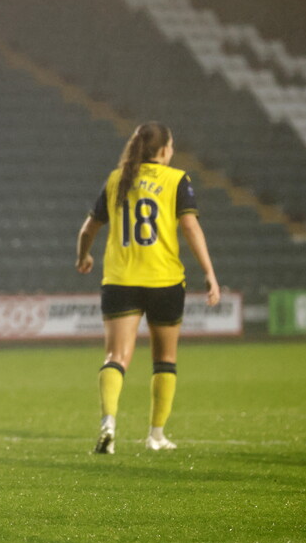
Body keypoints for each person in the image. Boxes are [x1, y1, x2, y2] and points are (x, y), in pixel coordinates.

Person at [75, 122, 219, 454]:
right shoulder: (176, 180)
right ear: (166, 150)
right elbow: (190, 227)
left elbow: (87, 229)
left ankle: (108, 424)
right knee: (165, 359)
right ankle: (156, 435)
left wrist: (83, 257)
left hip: (120, 280)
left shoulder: (115, 180)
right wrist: (209, 273)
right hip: (164, 281)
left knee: (116, 357)